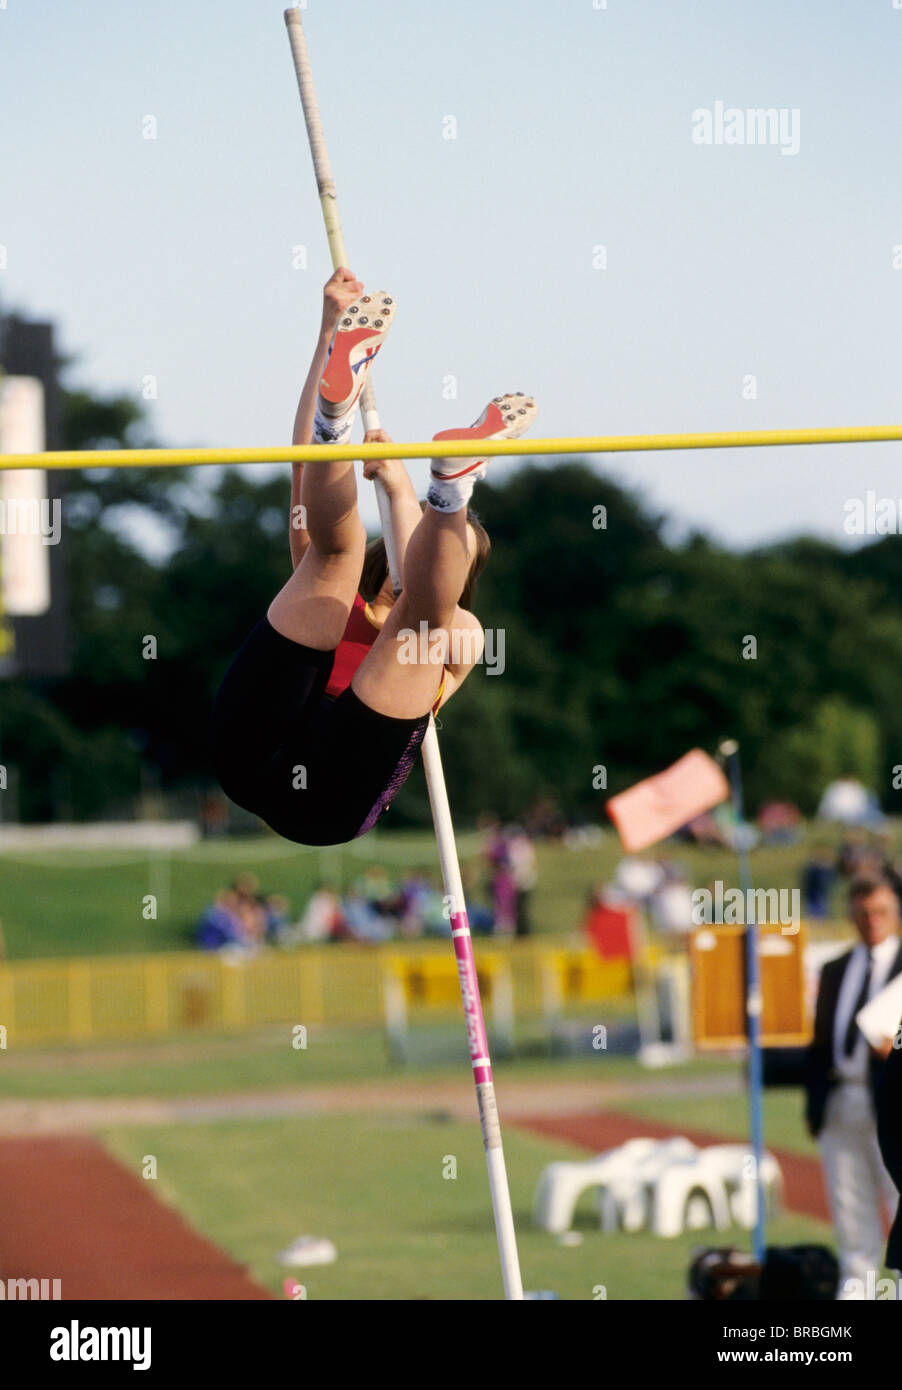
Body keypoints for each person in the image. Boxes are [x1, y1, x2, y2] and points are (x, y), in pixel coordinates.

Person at [211, 268, 536, 846]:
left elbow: (421, 594)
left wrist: (399, 489)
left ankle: (437, 486)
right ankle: (422, 475)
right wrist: (328, 332)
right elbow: (300, 464)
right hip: (312, 799)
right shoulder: (377, 612)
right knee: (345, 560)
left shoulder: (461, 635)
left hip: (259, 765)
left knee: (358, 572)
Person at [804, 873, 902, 1296]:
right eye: (862, 913)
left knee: (899, 1200)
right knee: (849, 1208)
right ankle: (855, 1290)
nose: (871, 921)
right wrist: (815, 1106)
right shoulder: (835, 969)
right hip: (843, 1099)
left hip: (895, 1105)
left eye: (880, 912)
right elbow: (820, 1043)